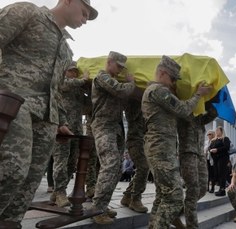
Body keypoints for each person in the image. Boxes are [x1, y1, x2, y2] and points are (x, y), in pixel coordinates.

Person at [0, 1, 97, 227]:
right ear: (68, 1)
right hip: (14, 102)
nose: (85, 20)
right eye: (84, 12)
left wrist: (61, 120)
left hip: (47, 118)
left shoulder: (66, 47)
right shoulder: (27, 12)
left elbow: (56, 88)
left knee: (30, 182)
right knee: (12, 170)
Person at [142, 55, 212, 228]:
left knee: (163, 195)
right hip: (160, 148)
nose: (174, 83)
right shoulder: (157, 90)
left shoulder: (158, 90)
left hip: (162, 148)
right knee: (174, 198)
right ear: (163, 73)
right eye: (173, 78)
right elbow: (182, 109)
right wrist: (197, 95)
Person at [90, 51, 136, 224]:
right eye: (118, 66)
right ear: (109, 62)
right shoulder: (101, 77)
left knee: (116, 169)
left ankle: (102, 205)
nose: (120, 71)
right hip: (103, 125)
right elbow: (120, 91)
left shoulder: (114, 79)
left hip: (116, 128)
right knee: (110, 164)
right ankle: (97, 209)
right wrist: (131, 83)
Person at [51, 62, 89, 207]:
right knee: (61, 161)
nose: (73, 73)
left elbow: (89, 105)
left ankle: (57, 191)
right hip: (62, 128)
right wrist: (83, 80)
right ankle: (60, 192)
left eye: (75, 72)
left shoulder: (78, 90)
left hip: (76, 130)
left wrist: (89, 88)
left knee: (72, 162)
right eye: (71, 71)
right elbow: (65, 84)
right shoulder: (62, 83)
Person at [177, 102, 217, 229]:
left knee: (203, 188)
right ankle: (192, 226)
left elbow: (213, 114)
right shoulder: (184, 112)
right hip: (188, 153)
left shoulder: (200, 119)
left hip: (200, 155)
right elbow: (183, 109)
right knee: (193, 190)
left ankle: (176, 211)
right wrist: (196, 97)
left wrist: (208, 100)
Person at [120, 99, 150, 213]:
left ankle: (127, 196)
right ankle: (135, 199)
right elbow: (131, 117)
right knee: (144, 167)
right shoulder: (133, 102)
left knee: (143, 168)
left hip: (143, 141)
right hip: (134, 140)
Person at [208, 126, 231, 196]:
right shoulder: (214, 140)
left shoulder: (225, 139)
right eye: (216, 130)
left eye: (218, 130)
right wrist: (211, 150)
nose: (216, 132)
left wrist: (217, 150)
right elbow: (210, 147)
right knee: (216, 173)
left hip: (223, 158)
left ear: (221, 131)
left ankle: (222, 190)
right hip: (215, 159)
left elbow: (227, 147)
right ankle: (219, 188)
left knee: (222, 174)